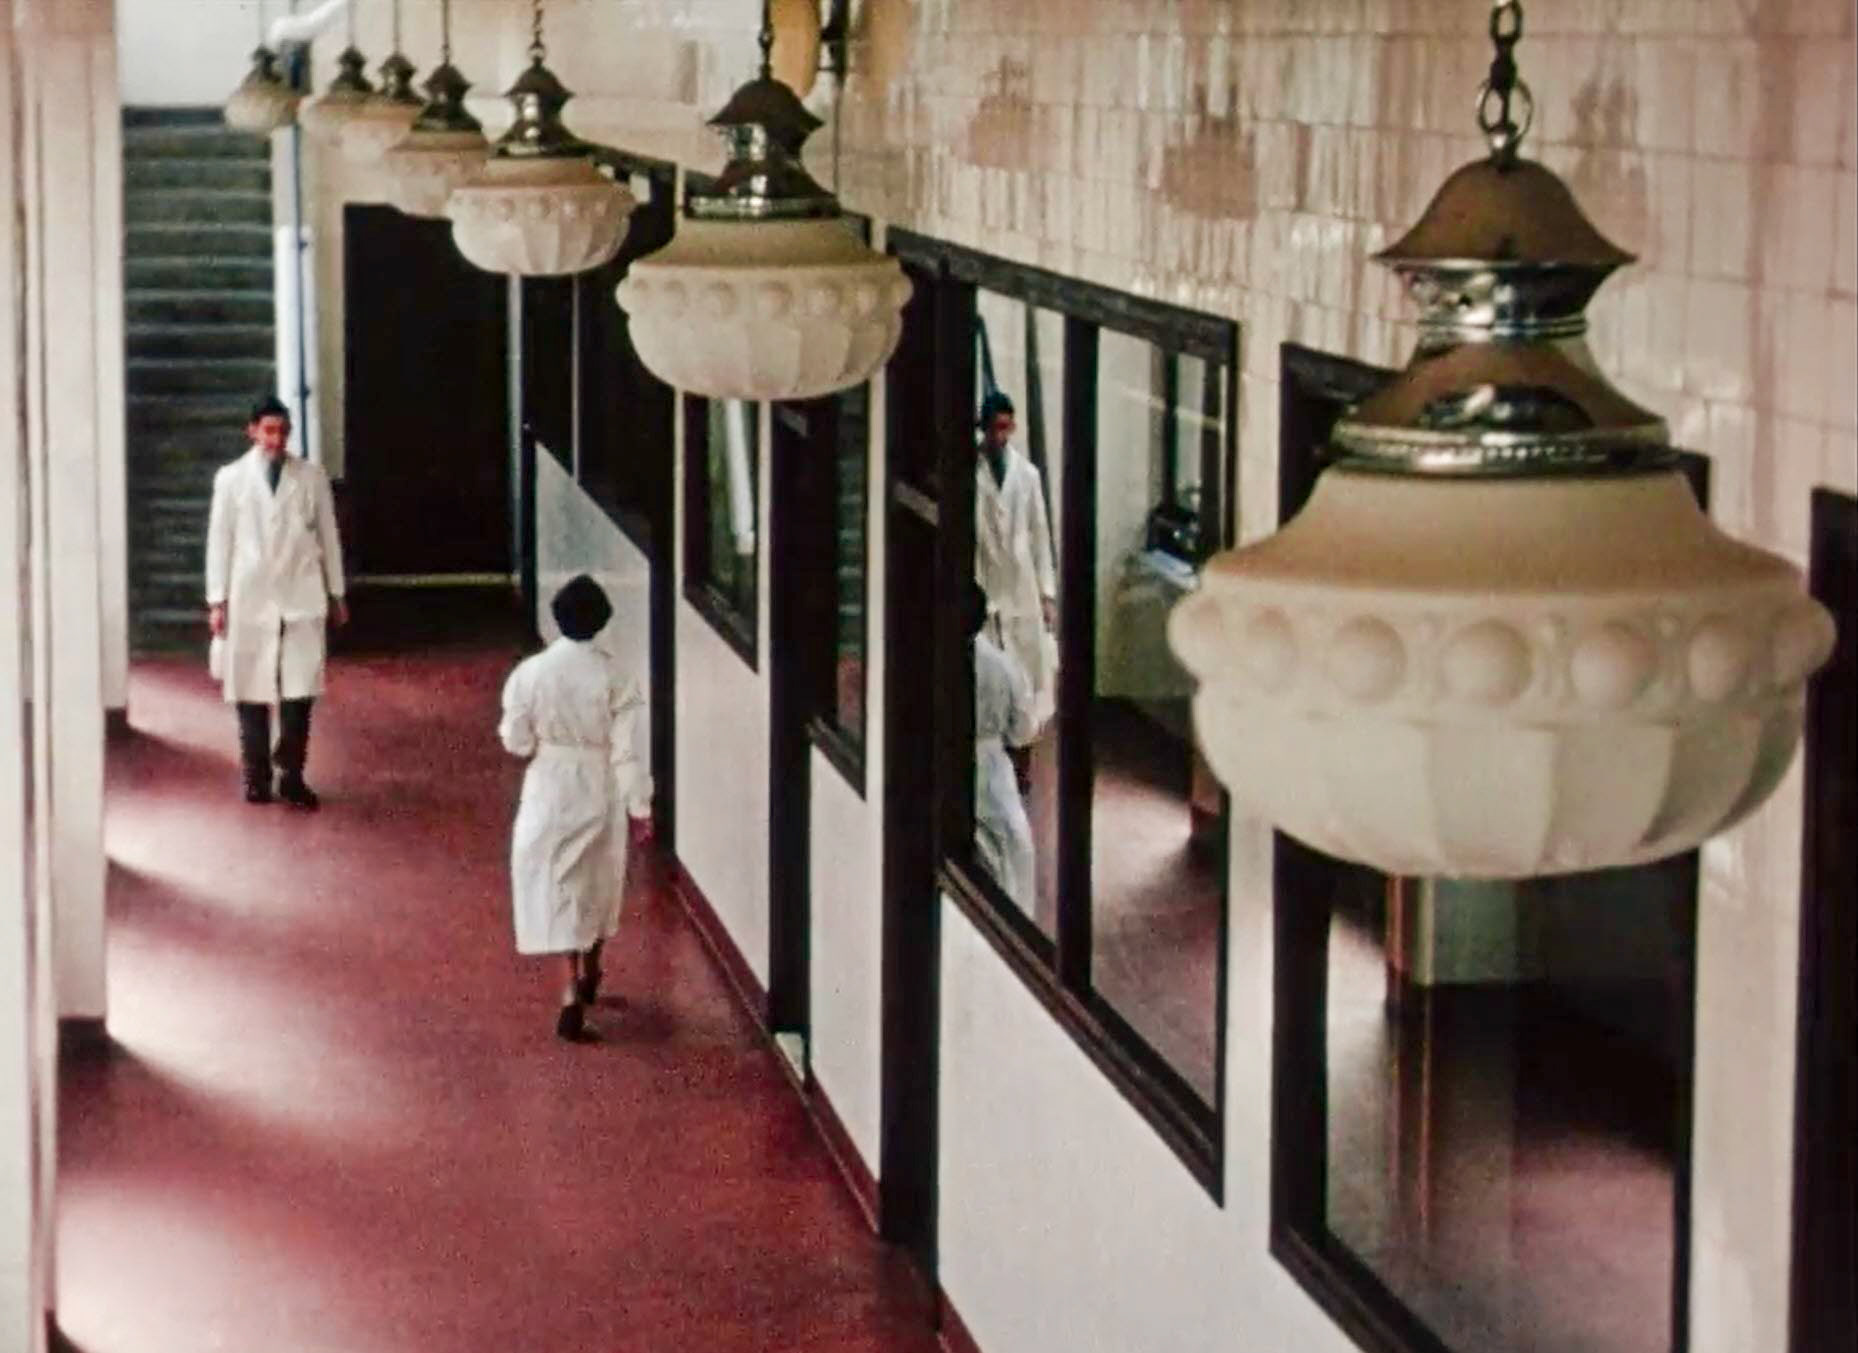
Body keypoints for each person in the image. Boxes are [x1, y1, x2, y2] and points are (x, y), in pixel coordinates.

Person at [498, 575, 653, 1041]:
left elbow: (515, 740)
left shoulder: (529, 674)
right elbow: (626, 753)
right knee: (598, 879)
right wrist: (640, 807)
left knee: (557, 882)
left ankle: (568, 992)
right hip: (599, 784)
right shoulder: (616, 677)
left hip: (549, 783)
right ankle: (593, 969)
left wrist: (543, 743)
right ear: (602, 621)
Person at [205, 395, 348, 808]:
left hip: (300, 594)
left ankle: (292, 774)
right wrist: (217, 600)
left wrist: (336, 593)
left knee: (299, 693)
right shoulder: (231, 479)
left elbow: (328, 537)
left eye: (283, 431)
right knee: (250, 692)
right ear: (252, 431)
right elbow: (220, 540)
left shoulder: (311, 478)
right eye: (268, 431)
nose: (276, 439)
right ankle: (256, 776)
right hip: (250, 596)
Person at [973, 391, 1057, 792]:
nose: (1000, 437)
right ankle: (996, 766)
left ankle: (1023, 766)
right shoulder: (970, 474)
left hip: (1021, 592)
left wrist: (1046, 593)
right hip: (987, 589)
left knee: (1027, 683)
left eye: (1007, 428)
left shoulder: (1028, 476)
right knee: (993, 682)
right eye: (994, 429)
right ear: (983, 428)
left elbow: (1040, 536)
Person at [970, 581, 1037, 915]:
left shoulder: (927, 663)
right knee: (1013, 849)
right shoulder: (1003, 665)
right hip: (992, 765)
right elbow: (1023, 732)